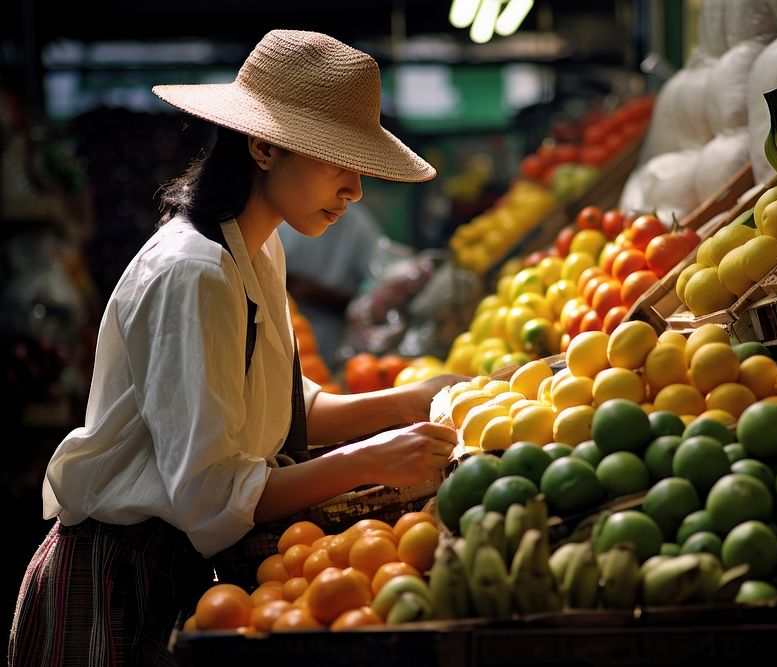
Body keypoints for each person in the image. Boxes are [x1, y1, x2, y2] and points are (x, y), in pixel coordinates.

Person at [9, 30, 463, 666]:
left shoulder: (253, 248)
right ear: (263, 147)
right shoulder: (194, 271)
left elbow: (278, 410)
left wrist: (411, 402)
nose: (355, 190)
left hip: (168, 568)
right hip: (120, 580)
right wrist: (371, 460)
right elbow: (214, 494)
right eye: (339, 162)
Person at [278, 200, 382, 367]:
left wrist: (316, 294)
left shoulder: (359, 226)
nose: (355, 192)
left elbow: (372, 293)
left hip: (330, 343)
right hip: (279, 336)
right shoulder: (281, 218)